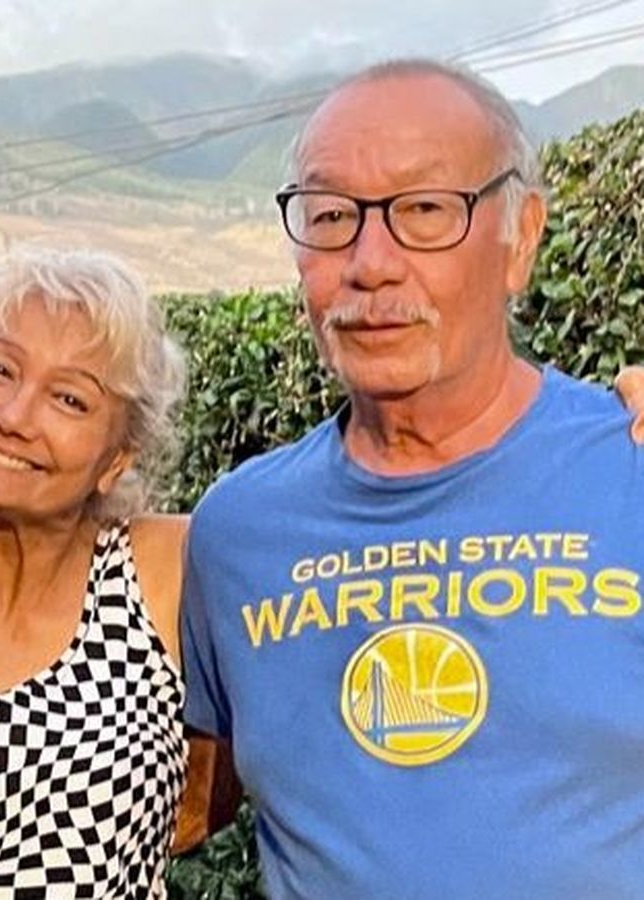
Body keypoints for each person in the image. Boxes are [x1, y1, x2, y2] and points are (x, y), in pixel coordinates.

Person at [181, 57, 644, 899]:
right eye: (330, 216)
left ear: (521, 236)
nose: (371, 263)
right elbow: (168, 793)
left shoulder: (631, 467)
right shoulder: (237, 532)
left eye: (425, 210)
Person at [0, 249, 230, 898]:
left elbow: (225, 779)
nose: (14, 417)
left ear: (118, 458)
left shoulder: (168, 572)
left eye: (70, 399)